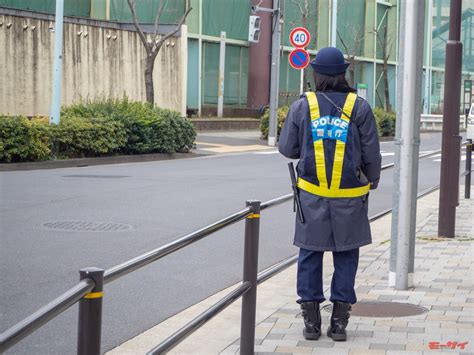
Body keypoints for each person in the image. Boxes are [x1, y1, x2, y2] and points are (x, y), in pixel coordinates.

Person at [278, 47, 381, 342]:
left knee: (310, 253)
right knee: (346, 254)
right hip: (350, 196)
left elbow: (288, 149)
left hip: (311, 197)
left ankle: (311, 323)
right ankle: (339, 323)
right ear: (343, 74)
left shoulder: (302, 107)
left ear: (317, 75)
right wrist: (371, 180)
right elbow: (372, 153)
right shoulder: (359, 107)